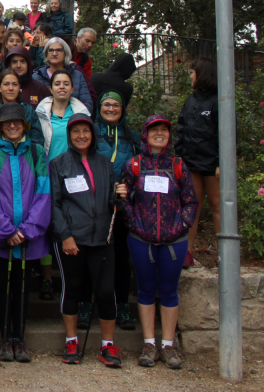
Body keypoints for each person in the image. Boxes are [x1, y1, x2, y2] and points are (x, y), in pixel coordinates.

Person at [117, 115, 199, 369]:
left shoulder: (178, 166)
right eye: (155, 130)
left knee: (169, 291)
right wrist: (135, 224)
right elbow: (122, 197)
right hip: (141, 240)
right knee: (145, 290)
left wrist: (180, 226)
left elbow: (191, 201)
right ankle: (149, 343)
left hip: (174, 242)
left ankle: (168, 345)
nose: (160, 133)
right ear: (146, 134)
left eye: (164, 130)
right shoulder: (134, 165)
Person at [0, 104, 50, 363]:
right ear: (1, 125)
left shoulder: (36, 152)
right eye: (8, 122)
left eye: (17, 122)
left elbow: (44, 192)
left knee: (22, 287)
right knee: (2, 286)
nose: (12, 126)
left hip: (28, 237)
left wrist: (28, 229)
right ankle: (4, 338)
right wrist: (6, 229)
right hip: (1, 236)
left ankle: (20, 338)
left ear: (25, 124)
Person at [50, 114, 121, 367]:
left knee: (105, 291)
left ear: (93, 135)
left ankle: (108, 346)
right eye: (76, 131)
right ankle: (71, 340)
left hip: (102, 238)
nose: (81, 135)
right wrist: (65, 235)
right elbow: (54, 204)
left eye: (86, 131)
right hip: (73, 239)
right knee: (72, 289)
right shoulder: (59, 164)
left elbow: (111, 203)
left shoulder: (104, 163)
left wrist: (118, 196)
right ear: (69, 136)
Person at [95, 90, 141, 329]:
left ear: (123, 109)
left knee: (122, 258)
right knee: (91, 255)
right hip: (93, 204)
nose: (111, 109)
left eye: (116, 105)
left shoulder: (132, 137)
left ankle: (122, 306)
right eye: (106, 104)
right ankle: (86, 304)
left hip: (123, 207)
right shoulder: (90, 132)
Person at [175, 56, 220, 268]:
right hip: (192, 163)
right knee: (194, 206)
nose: (190, 76)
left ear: (202, 74)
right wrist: (180, 156)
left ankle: (224, 255)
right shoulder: (191, 99)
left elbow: (227, 134)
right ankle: (187, 253)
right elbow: (181, 127)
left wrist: (221, 163)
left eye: (192, 73)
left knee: (218, 205)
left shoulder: (220, 100)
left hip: (213, 165)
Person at [36, 70, 90, 157]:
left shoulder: (82, 114)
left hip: (75, 168)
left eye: (66, 84)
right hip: (47, 168)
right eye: (57, 84)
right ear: (51, 89)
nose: (62, 87)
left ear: (72, 89)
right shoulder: (40, 114)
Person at [32, 37, 94, 114]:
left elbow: (87, 104)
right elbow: (32, 104)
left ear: (65, 53)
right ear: (46, 53)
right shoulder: (37, 76)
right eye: (51, 50)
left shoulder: (77, 75)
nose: (54, 53)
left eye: (59, 50)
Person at [0, 68, 45, 147]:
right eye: (6, 84)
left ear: (19, 87)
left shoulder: (28, 110)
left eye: (15, 84)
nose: (11, 88)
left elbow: (37, 140)